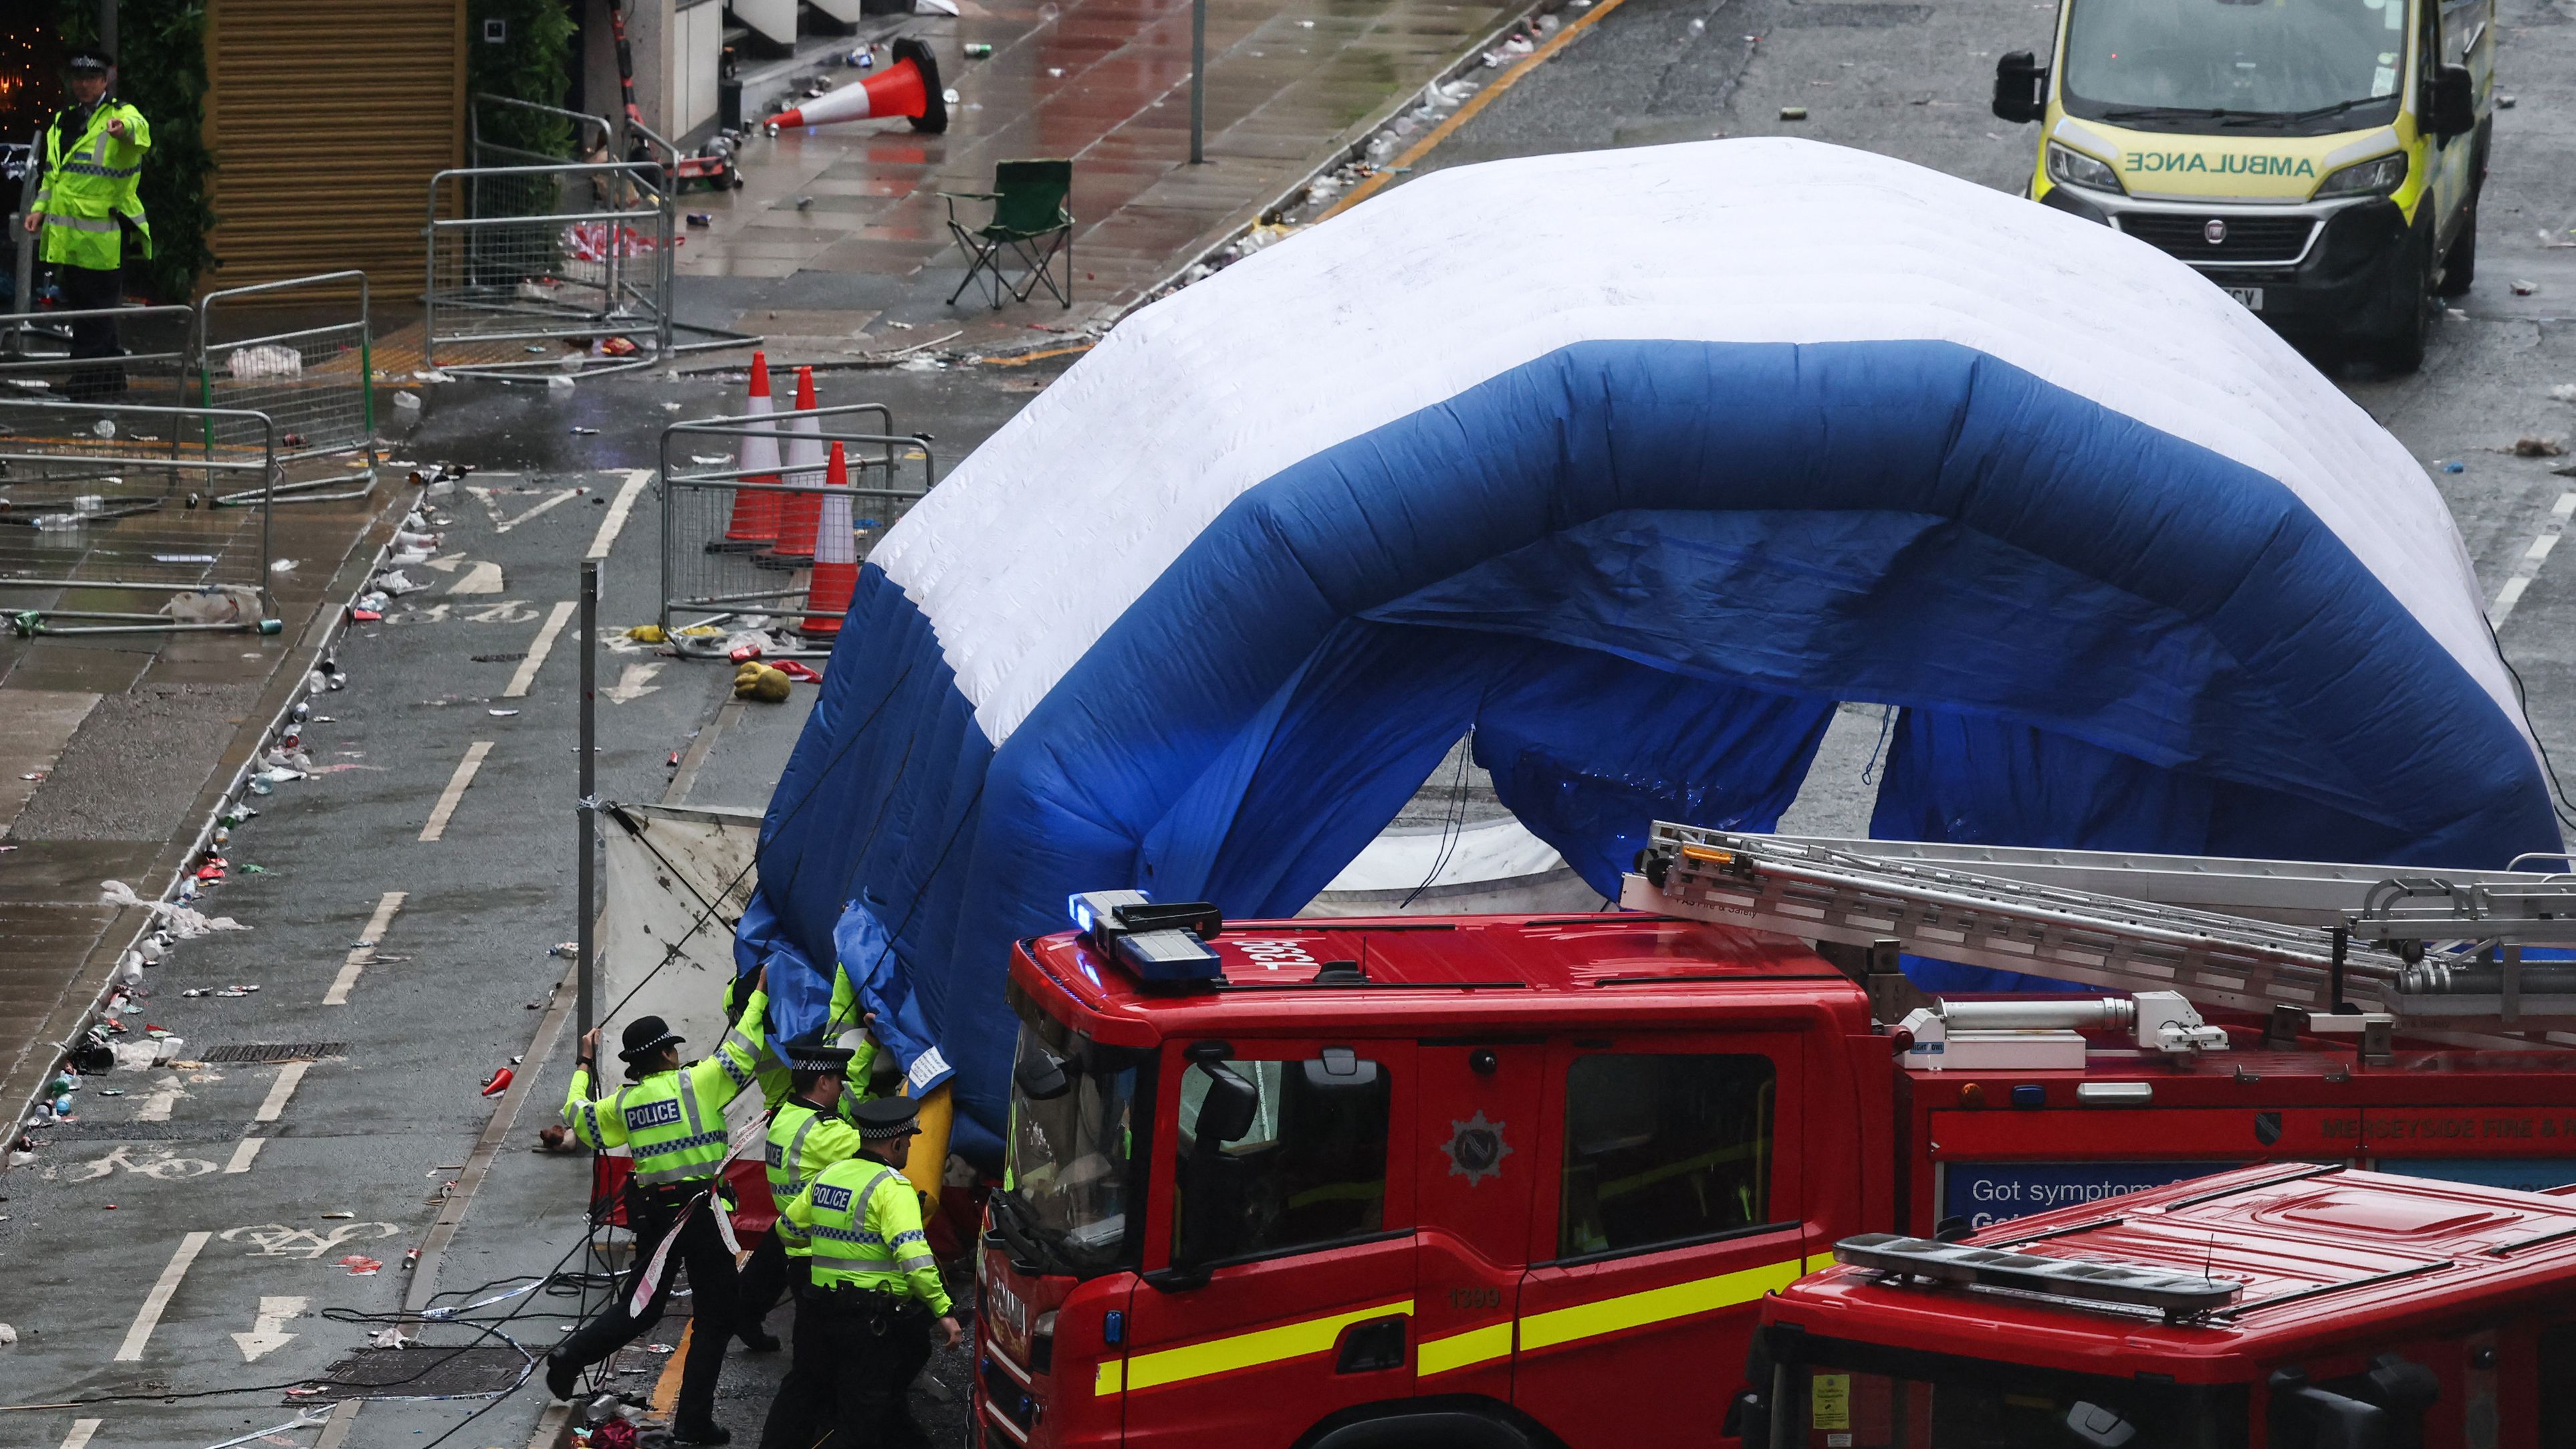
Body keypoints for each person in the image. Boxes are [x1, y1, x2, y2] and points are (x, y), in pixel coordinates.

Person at [549, 969, 772, 1446]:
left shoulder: (625, 1103)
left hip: (656, 1214)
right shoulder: (701, 1081)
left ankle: (570, 1355)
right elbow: (747, 1047)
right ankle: (693, 1420)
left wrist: (584, 1064)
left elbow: (577, 1116)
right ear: (668, 1052)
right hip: (702, 1215)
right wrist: (757, 997)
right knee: (716, 1315)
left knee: (640, 1308)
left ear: (634, 1063)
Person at [761, 1095, 962, 1449]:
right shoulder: (892, 1187)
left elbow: (786, 1228)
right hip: (869, 1326)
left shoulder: (828, 1175)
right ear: (896, 1142)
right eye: (909, 1142)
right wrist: (943, 1310)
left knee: (813, 1391)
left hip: (820, 1312)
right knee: (862, 1419)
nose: (910, 1149)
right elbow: (914, 1257)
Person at [22, 49, 149, 400]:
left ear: (105, 80)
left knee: (93, 315)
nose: (83, 84)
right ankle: (109, 378)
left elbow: (142, 134)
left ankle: (87, 381)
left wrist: (124, 130)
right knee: (89, 312)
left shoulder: (120, 114)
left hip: (103, 235)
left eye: (91, 78)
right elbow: (54, 175)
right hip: (69, 236)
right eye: (77, 78)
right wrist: (39, 208)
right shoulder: (63, 120)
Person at [734, 1030, 864, 1355]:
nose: (842, 1088)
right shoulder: (824, 1132)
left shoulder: (787, 1115)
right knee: (813, 1334)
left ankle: (745, 1312)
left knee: (769, 1265)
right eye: (838, 1081)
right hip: (814, 1239)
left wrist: (868, 1051)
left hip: (789, 1221)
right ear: (823, 1082)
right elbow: (881, 1149)